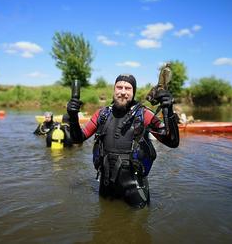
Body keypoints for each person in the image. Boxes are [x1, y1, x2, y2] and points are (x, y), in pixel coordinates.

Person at [67, 74, 179, 208]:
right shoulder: (102, 114)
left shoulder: (144, 115)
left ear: (134, 92)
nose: (123, 92)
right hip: (106, 184)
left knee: (137, 226)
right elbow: (77, 139)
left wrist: (169, 110)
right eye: (119, 87)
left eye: (128, 88)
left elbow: (173, 142)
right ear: (114, 90)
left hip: (134, 186)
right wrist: (73, 116)